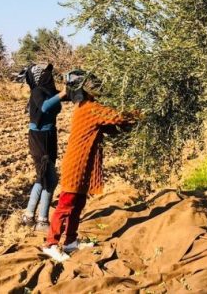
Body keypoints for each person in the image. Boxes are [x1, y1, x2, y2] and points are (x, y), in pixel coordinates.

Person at [42, 73, 138, 262]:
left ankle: (70, 242)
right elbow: (116, 117)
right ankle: (50, 244)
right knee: (65, 204)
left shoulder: (87, 106)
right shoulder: (91, 108)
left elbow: (109, 126)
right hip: (75, 164)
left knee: (78, 204)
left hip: (82, 163)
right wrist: (142, 113)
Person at [21, 63, 66, 231]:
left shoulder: (49, 91)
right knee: (50, 180)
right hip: (39, 138)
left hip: (50, 136)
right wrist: (63, 93)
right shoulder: (38, 92)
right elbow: (46, 107)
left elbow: (67, 96)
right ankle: (42, 221)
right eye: (46, 73)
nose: (49, 75)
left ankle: (29, 216)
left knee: (42, 177)